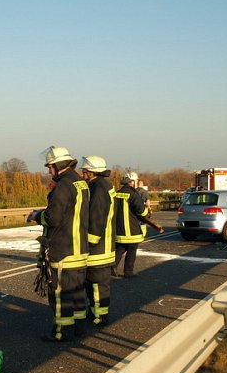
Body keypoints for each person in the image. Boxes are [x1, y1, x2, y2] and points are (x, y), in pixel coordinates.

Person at [26, 146, 89, 341]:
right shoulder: (81, 183)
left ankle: (61, 332)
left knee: (61, 294)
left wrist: (38, 216)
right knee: (77, 292)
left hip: (63, 250)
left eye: (50, 166)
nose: (49, 170)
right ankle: (78, 328)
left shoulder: (63, 185)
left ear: (57, 165)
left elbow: (53, 218)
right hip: (80, 249)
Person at [80, 155, 115, 325]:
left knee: (97, 285)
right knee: (92, 285)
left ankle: (100, 317)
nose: (82, 173)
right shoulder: (99, 185)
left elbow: (96, 219)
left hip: (98, 249)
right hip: (101, 247)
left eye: (84, 170)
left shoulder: (99, 188)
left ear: (91, 172)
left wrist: (88, 243)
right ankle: (94, 313)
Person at [113, 171, 151, 278]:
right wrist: (147, 213)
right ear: (132, 182)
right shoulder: (133, 194)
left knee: (120, 249)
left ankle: (112, 267)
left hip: (119, 229)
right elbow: (142, 211)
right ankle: (128, 272)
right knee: (131, 250)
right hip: (131, 229)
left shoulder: (116, 193)